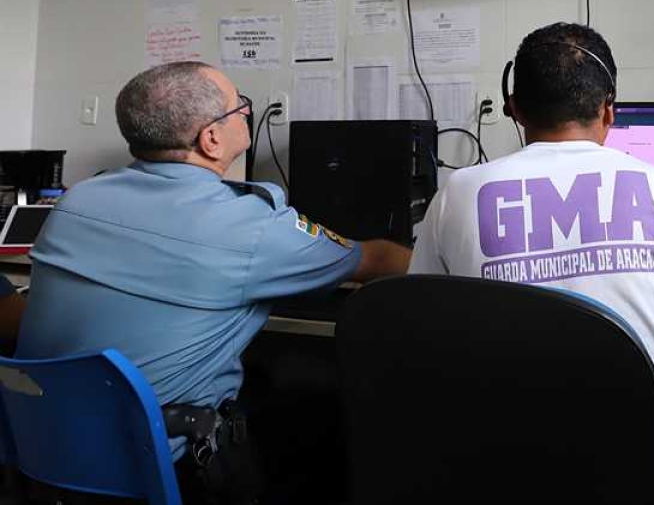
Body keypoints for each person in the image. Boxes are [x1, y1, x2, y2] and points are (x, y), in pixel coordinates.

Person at [411, 23, 654, 505]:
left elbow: (421, 337)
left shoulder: (454, 197)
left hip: (503, 482)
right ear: (609, 109)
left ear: (515, 108)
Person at [17, 61, 412, 503]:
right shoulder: (251, 226)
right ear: (211, 138)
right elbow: (372, 258)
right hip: (162, 467)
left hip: (48, 452)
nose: (246, 112)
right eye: (239, 106)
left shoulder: (77, 201)